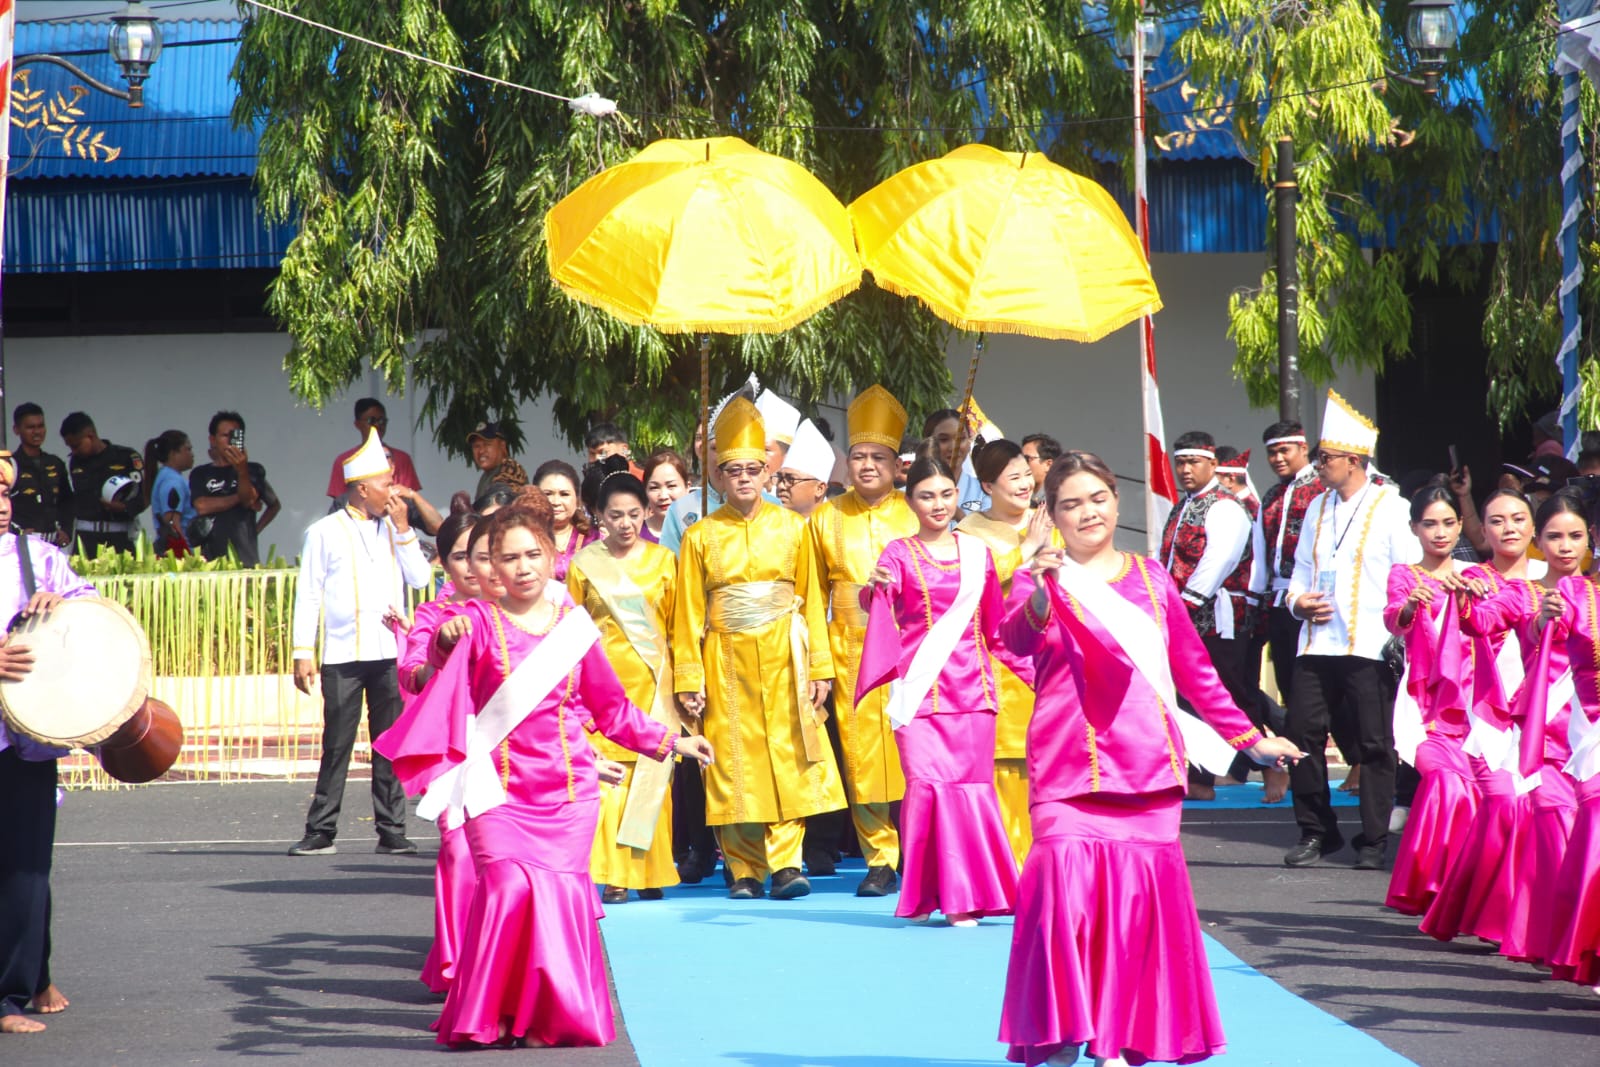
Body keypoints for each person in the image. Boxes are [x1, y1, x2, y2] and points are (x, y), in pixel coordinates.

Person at [376, 488, 713, 1048]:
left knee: (554, 903)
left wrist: (673, 743)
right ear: (492, 567)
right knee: (507, 888)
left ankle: (544, 1020)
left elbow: (611, 709)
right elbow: (430, 670)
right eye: (507, 557)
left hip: (568, 791)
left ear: (551, 557)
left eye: (531, 554)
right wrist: (442, 640)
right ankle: (493, 1012)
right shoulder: (476, 623)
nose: (522, 566)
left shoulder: (574, 625)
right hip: (498, 792)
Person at [997, 451, 1301, 1067]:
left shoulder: (1152, 579)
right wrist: (1036, 587)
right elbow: (1014, 642)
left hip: (1147, 770)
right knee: (1061, 895)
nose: (1088, 512)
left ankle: (1117, 1039)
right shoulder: (1040, 580)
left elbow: (1196, 674)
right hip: (1067, 768)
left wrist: (1251, 741)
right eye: (1071, 503)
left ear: (1116, 501)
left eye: (1098, 498)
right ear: (1051, 515)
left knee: (1134, 916)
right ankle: (1059, 1034)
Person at [672, 396, 846, 900]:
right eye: (734, 469)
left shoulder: (796, 528)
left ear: (769, 471)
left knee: (788, 753)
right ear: (720, 474)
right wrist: (689, 678)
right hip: (723, 657)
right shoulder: (700, 536)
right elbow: (687, 611)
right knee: (732, 759)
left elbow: (814, 600)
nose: (745, 477)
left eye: (754, 468)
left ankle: (787, 863)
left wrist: (820, 667)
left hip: (784, 655)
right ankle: (743, 867)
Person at [857, 450, 1018, 925]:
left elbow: (997, 627)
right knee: (926, 789)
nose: (938, 504)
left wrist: (1042, 668)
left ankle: (965, 897)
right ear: (910, 502)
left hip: (974, 692)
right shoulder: (898, 553)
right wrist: (873, 589)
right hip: (920, 692)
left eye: (947, 494)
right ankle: (928, 895)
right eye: (927, 496)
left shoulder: (978, 554)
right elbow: (877, 601)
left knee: (970, 791)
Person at [1282, 391, 1421, 870]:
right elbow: (1299, 572)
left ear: (1354, 460)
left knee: (1373, 742)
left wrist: (1401, 627)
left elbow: (1410, 570)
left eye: (1326, 459)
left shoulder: (1391, 506)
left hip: (1368, 642)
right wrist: (1297, 601)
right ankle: (1316, 831)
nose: (1319, 466)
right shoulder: (1316, 508)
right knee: (1301, 734)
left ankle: (1375, 839)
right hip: (1316, 640)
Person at [288, 428, 433, 857]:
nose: (395, 489)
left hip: (388, 653)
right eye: (388, 483)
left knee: (389, 742)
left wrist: (405, 529)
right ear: (363, 488)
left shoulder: (394, 529)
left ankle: (391, 830)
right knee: (337, 743)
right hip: (343, 654)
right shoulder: (324, 532)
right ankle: (321, 830)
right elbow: (309, 592)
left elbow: (421, 578)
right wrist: (302, 651)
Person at [1460, 489, 1588, 966]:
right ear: (1541, 540)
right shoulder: (1523, 592)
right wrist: (1471, 604)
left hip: (1590, 738)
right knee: (1554, 829)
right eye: (1554, 536)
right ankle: (1561, 941)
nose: (1565, 546)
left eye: (1574, 535)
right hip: (1545, 744)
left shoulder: (1595, 592)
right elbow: (1484, 621)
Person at [805, 386, 919, 895]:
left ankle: (920, 849)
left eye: (878, 457)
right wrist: (820, 664)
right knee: (861, 756)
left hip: (913, 649)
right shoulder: (826, 518)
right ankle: (880, 855)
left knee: (912, 751)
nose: (867, 465)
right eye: (858, 456)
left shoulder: (917, 512)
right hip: (850, 647)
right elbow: (813, 596)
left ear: (898, 465)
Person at [0, 452, 98, 1036]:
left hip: (28, 741)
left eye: (6, 491)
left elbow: (93, 611)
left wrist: (65, 605)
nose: (2, 501)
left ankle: (20, 987)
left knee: (29, 869)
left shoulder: (39, 558)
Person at [1421, 489, 1542, 945]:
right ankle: (1491, 913)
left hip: (1552, 717)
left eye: (1518, 518)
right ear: (1482, 530)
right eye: (1496, 520)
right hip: (1487, 720)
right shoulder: (1471, 580)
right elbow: (1461, 641)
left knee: (1538, 815)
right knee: (1505, 804)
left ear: (1533, 526)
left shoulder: (1562, 582)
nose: (1508, 528)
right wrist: (1465, 602)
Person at [570, 458, 685, 904]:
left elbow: (681, 627)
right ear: (600, 515)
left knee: (655, 775)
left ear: (646, 513)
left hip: (655, 683)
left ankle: (652, 870)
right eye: (615, 515)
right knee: (613, 780)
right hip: (603, 685)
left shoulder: (665, 561)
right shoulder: (583, 565)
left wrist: (688, 683)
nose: (625, 523)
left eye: (634, 514)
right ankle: (617, 875)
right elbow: (574, 631)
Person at [1380, 487, 1482, 916]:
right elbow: (1394, 620)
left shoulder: (1476, 574)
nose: (1439, 532)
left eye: (1447, 523)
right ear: (1414, 529)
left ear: (1460, 525)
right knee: (1445, 783)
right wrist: (1408, 606)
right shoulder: (1405, 575)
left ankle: (1464, 889)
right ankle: (1429, 882)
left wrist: (1471, 599)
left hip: (1476, 703)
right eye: (1429, 524)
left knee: (1476, 793)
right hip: (1424, 703)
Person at [398, 501, 481, 994]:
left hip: (510, 753)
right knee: (457, 848)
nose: (473, 566)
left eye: (482, 553)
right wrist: (439, 659)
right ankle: (457, 963)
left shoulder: (512, 610)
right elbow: (411, 670)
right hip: (454, 752)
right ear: (443, 563)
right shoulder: (434, 615)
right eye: (460, 556)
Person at [958, 439, 1053, 865]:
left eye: (1025, 475)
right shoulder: (968, 533)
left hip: (1045, 660)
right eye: (1012, 477)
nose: (1023, 485)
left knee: (1044, 764)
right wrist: (1024, 552)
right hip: (993, 663)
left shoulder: (1049, 520)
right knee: (1000, 768)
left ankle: (1042, 866)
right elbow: (968, 593)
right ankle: (1004, 869)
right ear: (987, 485)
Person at [1160, 430, 1258, 802]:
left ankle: (1272, 767)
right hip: (1182, 615)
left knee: (1230, 693)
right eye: (1181, 462)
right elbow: (1165, 557)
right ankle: (1200, 780)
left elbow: (1218, 561)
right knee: (1188, 697)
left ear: (1213, 465)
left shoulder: (1225, 506)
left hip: (1216, 617)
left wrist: (1183, 605)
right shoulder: (1181, 505)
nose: (1185, 469)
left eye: (1193, 462)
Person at [188, 411, 280, 566]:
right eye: (225, 436)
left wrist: (255, 531)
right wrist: (238, 497)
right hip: (211, 558)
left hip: (245, 557)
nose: (230, 441)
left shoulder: (253, 470)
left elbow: (269, 504)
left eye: (235, 436)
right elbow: (201, 506)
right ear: (213, 440)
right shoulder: (201, 473)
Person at [60, 412, 146, 557]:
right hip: (86, 539)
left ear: (90, 436)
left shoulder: (125, 457)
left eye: (76, 445)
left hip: (120, 538)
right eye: (70, 447)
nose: (73, 451)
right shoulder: (74, 461)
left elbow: (144, 496)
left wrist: (125, 508)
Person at [328, 398, 422, 498]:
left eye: (381, 420)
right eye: (371, 421)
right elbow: (339, 501)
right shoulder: (345, 461)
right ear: (358, 424)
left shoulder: (402, 459)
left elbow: (410, 498)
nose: (377, 425)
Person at [8, 403, 72, 544]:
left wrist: (66, 531)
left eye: (40, 426)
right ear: (16, 430)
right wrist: (16, 533)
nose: (37, 432)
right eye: (30, 427)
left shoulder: (55, 463)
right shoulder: (9, 465)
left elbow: (67, 502)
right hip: (21, 545)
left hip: (53, 545)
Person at [535, 460, 598, 583]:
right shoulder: (527, 540)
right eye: (548, 494)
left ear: (577, 499)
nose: (556, 502)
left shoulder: (594, 539)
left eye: (564, 494)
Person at [143, 430, 196, 556]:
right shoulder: (172, 481)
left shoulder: (166, 476)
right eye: (187, 449)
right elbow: (172, 524)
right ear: (173, 453)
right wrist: (184, 556)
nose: (192, 454)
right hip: (179, 553)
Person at [775, 419, 834, 518]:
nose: (781, 486)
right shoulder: (769, 525)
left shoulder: (836, 529)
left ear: (819, 489)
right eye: (780, 478)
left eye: (791, 479)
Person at [640, 448, 689, 543]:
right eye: (654, 488)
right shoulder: (634, 534)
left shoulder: (702, 532)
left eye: (671, 486)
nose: (663, 496)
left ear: (687, 487)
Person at [469, 422, 528, 498]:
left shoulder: (511, 468)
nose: (481, 451)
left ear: (502, 446)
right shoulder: (485, 476)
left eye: (487, 444)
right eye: (476, 446)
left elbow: (502, 504)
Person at [1020, 434, 1061, 507]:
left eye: (1027, 459)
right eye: (1020, 459)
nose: (1022, 463)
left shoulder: (1056, 500)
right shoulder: (1021, 497)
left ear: (1049, 465)